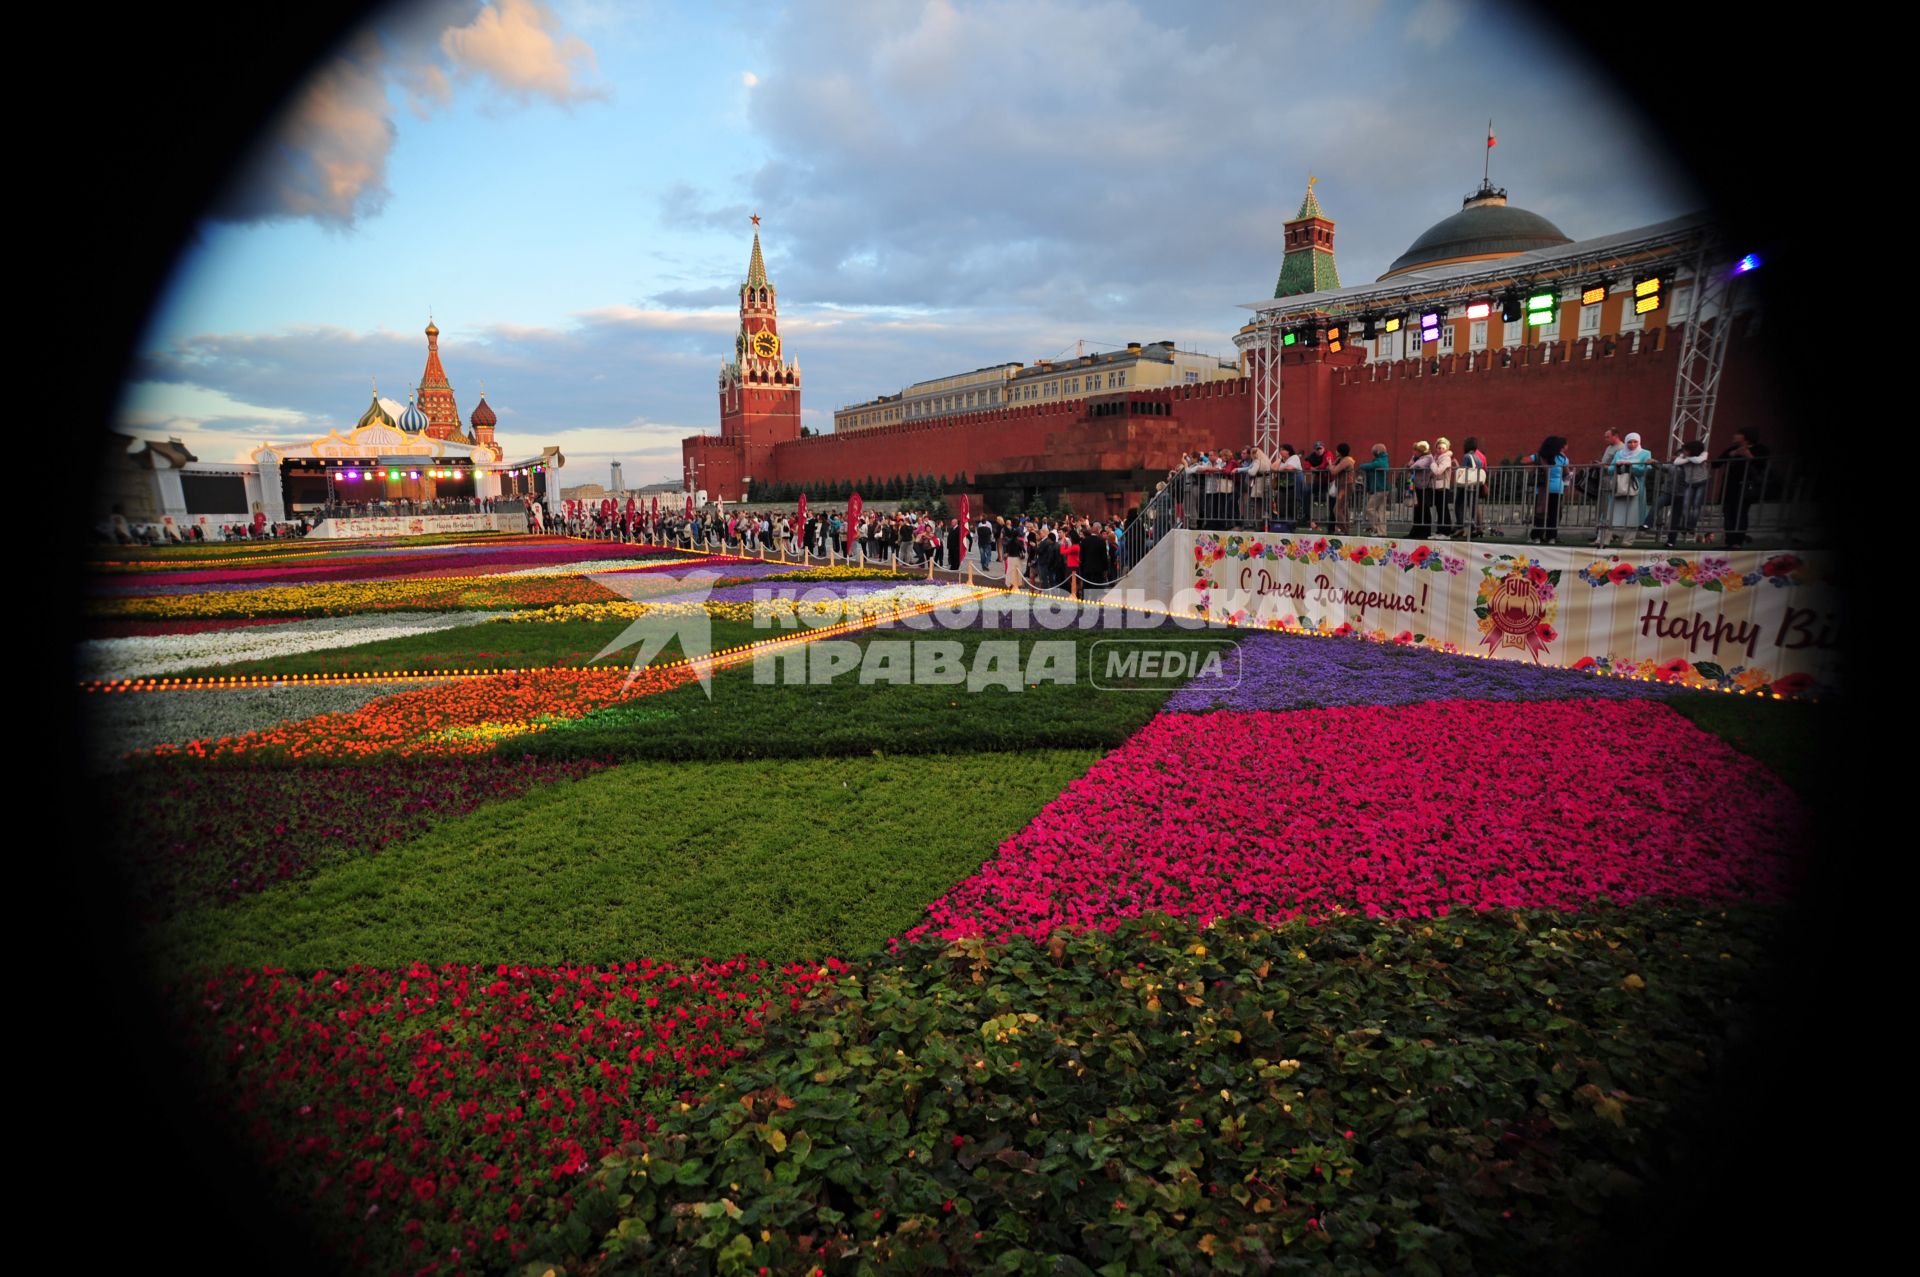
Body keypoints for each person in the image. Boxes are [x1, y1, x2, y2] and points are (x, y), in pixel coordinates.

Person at [1713, 429, 1769, 548]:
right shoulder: (1732, 449)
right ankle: (1729, 541)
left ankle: (1738, 542)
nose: (1735, 436)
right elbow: (1715, 464)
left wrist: (1748, 455)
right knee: (1728, 513)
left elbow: (1762, 464)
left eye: (1738, 434)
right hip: (1730, 485)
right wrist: (1730, 455)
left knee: (1741, 513)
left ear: (1746, 437)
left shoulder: (1760, 449)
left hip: (1746, 485)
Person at [1595, 431, 1652, 546]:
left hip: (1635, 487)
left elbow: (1645, 470)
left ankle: (1627, 541)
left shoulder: (1645, 453)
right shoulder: (1620, 453)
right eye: (1630, 442)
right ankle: (1602, 540)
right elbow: (1610, 470)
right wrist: (1618, 465)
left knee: (1633, 514)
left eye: (1635, 442)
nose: (1632, 444)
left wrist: (1630, 465)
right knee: (1609, 514)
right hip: (1619, 486)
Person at [1666, 439, 1711, 548]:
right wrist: (1686, 458)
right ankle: (1685, 524)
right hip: (1689, 483)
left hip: (1701, 482)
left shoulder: (1703, 453)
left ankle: (1691, 525)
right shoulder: (1683, 456)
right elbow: (1676, 462)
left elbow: (1699, 460)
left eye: (1686, 450)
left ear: (1692, 450)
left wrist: (1687, 459)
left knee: (1696, 505)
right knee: (1686, 505)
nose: (1684, 452)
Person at [1525, 435, 1569, 544]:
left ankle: (1537, 537)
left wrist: (1535, 465)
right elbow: (1566, 473)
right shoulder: (1562, 458)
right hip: (1557, 488)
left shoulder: (1539, 456)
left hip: (1542, 489)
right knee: (1554, 514)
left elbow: (1524, 460)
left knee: (1540, 513)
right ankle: (1551, 537)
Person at [1454, 436, 1487, 538]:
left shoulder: (1467, 456)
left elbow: (1463, 470)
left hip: (1466, 484)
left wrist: (1456, 466)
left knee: (1459, 504)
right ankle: (1473, 526)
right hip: (1475, 485)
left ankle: (1460, 526)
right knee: (1472, 505)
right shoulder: (1479, 458)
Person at [1358, 444, 1391, 535]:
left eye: (1373, 451)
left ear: (1378, 451)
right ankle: (1382, 532)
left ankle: (1376, 528)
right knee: (1381, 511)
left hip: (1380, 488)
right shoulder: (1379, 460)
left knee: (1370, 509)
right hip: (1380, 488)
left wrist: (1365, 466)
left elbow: (1382, 466)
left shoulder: (1381, 461)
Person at [1407, 441, 1435, 539]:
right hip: (1417, 486)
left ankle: (1425, 532)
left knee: (1424, 510)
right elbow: (1409, 465)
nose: (1414, 452)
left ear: (1422, 451)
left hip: (1424, 487)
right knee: (1417, 510)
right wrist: (1413, 460)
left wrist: (1413, 463)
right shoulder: (1418, 458)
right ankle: (1415, 531)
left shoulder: (1428, 458)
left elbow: (1417, 466)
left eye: (1417, 450)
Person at [1430, 437, 1456, 537]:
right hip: (1436, 486)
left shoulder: (1446, 458)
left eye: (1443, 448)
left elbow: (1438, 471)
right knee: (1439, 509)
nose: (1440, 450)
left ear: (1447, 448)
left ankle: (1445, 531)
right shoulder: (1437, 458)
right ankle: (1440, 530)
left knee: (1443, 509)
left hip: (1443, 486)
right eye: (1439, 448)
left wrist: (1432, 463)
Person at [1328, 443, 1356, 534]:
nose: (1335, 452)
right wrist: (1332, 464)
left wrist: (1329, 464)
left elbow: (1334, 471)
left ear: (1340, 451)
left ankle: (1344, 529)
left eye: (1337, 450)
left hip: (1346, 486)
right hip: (1342, 486)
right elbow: (1332, 467)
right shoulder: (1341, 459)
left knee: (1337, 509)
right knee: (1344, 508)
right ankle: (1346, 528)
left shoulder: (1347, 460)